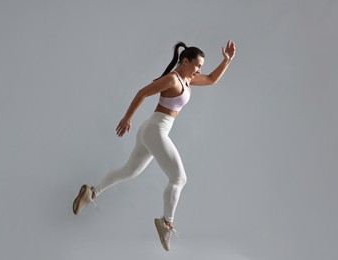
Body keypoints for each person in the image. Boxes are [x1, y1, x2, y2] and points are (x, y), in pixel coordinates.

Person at [73, 40, 236, 251]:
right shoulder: (172, 80)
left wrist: (227, 60)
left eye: (201, 67)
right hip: (154, 130)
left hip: (151, 130)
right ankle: (166, 222)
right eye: (197, 65)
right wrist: (127, 118)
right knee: (179, 178)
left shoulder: (187, 79)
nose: (199, 70)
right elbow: (142, 92)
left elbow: (213, 79)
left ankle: (91, 192)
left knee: (129, 171)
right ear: (185, 61)